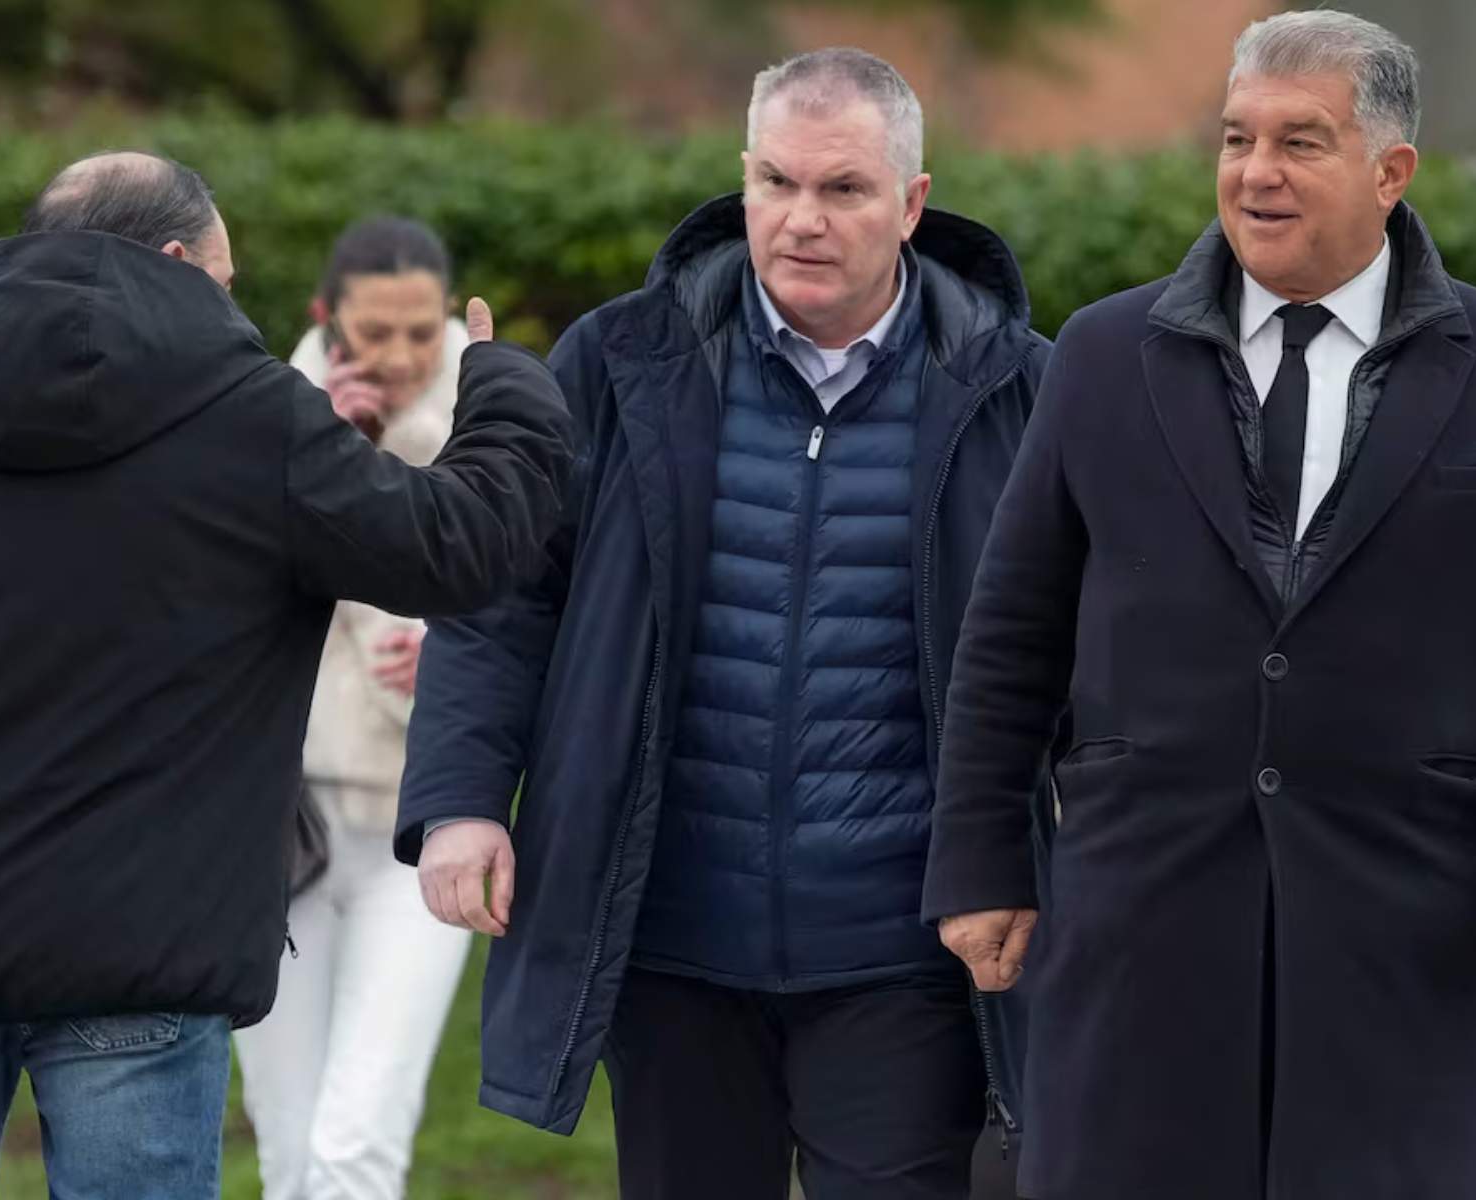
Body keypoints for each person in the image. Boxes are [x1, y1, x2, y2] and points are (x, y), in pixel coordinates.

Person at [0, 151, 570, 1199]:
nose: (232, 307)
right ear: (175, 263)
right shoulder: (257, 426)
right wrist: (497, 386)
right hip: (147, 962)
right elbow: (463, 546)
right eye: (223, 282)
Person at [924, 9, 1476, 1199]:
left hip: (1400, 924)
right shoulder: (1103, 356)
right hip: (1137, 911)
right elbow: (1010, 629)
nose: (1254, 173)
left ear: (1389, 172)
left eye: (1299, 142)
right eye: (1233, 138)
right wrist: (978, 856)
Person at [400, 48, 1047, 1200]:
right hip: (667, 937)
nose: (801, 220)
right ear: (742, 180)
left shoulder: (1018, 391)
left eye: (842, 189)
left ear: (910, 203)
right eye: (775, 183)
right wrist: (456, 802)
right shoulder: (619, 360)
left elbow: (1079, 645)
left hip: (902, 948)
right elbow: (504, 593)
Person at [233, 215, 475, 1200]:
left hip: (421, 834)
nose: (403, 356)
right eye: (376, 332)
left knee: (356, 1146)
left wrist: (454, 658)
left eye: (423, 332)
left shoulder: (494, 424)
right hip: (275, 827)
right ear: (326, 320)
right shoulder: (261, 418)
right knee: (288, 1151)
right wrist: (314, 455)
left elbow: (552, 609)